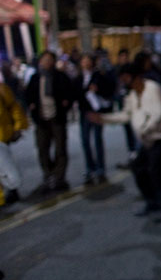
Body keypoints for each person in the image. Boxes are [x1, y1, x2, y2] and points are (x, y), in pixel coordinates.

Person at [91, 63, 161, 222]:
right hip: (149, 139)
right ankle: (152, 201)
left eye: (126, 77)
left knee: (157, 171)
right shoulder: (132, 95)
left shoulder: (152, 88)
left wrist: (145, 129)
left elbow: (157, 114)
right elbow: (126, 115)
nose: (124, 81)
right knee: (138, 167)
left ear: (135, 76)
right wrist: (104, 119)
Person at [25, 50, 73, 193]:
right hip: (41, 119)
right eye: (44, 59)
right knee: (42, 148)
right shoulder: (35, 78)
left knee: (60, 148)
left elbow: (69, 94)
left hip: (57, 118)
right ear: (40, 62)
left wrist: (66, 105)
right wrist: (32, 108)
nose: (47, 62)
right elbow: (28, 96)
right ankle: (48, 174)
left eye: (50, 59)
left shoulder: (60, 77)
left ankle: (59, 177)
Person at [74, 53, 114, 185]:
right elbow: (76, 94)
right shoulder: (79, 78)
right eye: (83, 61)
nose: (86, 63)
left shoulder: (99, 76)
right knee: (85, 141)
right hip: (84, 112)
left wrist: (97, 89)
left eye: (88, 61)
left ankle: (100, 169)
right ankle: (89, 168)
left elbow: (108, 90)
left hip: (96, 112)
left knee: (97, 140)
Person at [0, 81, 28, 204]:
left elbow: (13, 106)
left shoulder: (1, 89)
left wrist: (18, 125)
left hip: (2, 133)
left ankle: (11, 191)